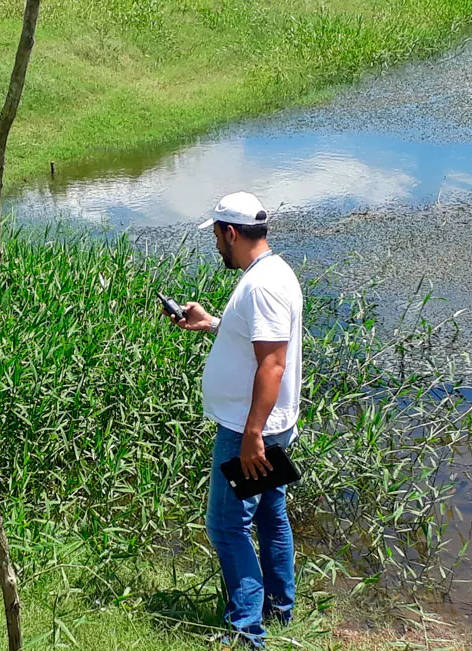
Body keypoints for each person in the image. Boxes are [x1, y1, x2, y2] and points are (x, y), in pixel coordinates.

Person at [166, 191, 303, 649]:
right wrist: (211, 323)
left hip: (251, 429)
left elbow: (272, 364)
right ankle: (280, 609)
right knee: (269, 515)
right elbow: (257, 340)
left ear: (230, 233)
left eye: (216, 237)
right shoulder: (272, 272)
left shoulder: (262, 285)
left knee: (226, 526)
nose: (216, 246)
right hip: (270, 425)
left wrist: (251, 434)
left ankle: (247, 632)